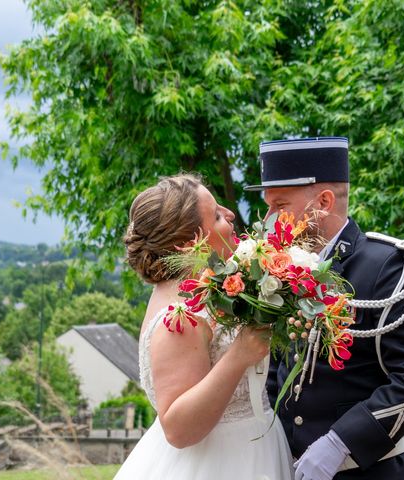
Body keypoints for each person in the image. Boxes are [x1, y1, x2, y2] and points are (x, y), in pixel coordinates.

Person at [245, 137, 404, 480]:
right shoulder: (285, 270)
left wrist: (341, 443)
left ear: (323, 202)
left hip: (372, 470)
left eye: (279, 206)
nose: (269, 220)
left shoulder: (389, 268)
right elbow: (281, 367)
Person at [114, 174, 293, 480]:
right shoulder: (180, 317)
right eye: (216, 215)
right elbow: (179, 429)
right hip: (219, 464)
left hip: (256, 448)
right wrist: (238, 356)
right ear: (188, 244)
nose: (231, 215)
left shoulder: (206, 287)